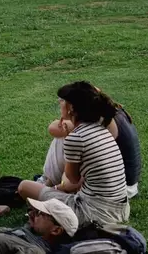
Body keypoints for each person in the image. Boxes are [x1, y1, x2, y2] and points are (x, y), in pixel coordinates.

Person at [18, 82, 130, 229]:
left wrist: (56, 188)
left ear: (71, 107)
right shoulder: (100, 129)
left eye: (62, 101)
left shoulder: (76, 137)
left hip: (93, 214)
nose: (59, 103)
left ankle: (47, 212)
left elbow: (72, 180)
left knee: (24, 187)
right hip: (120, 211)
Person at [40, 85, 141, 199]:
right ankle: (49, 182)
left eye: (63, 101)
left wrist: (60, 186)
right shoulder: (109, 113)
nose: (60, 102)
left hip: (115, 188)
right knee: (68, 135)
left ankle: (48, 182)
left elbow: (53, 129)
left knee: (65, 137)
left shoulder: (95, 123)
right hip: (123, 184)